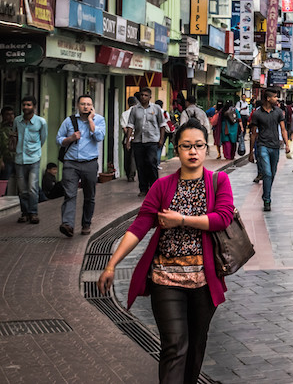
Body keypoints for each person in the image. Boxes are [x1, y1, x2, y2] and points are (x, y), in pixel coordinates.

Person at [98, 120, 235, 384]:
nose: (193, 151)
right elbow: (139, 226)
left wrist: (181, 220)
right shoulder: (162, 186)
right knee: (174, 346)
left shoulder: (219, 181)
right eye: (186, 146)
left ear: (206, 149)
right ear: (177, 149)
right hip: (166, 280)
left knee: (195, 348)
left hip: (204, 281)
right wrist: (111, 264)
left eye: (198, 146)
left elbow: (222, 218)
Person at [56, 95, 107, 237]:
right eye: (83, 104)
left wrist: (91, 120)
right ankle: (68, 224)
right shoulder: (69, 121)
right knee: (69, 194)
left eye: (88, 104)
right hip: (71, 163)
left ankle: (86, 223)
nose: (86, 106)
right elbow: (58, 139)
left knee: (89, 196)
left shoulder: (99, 120)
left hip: (90, 163)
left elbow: (99, 137)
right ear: (78, 105)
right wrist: (70, 138)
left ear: (92, 106)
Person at [250, 88, 287, 212]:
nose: (277, 99)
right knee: (267, 173)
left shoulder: (278, 112)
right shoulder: (257, 114)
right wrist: (251, 152)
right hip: (263, 145)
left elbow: (283, 129)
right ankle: (267, 199)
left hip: (275, 146)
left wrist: (287, 144)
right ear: (268, 98)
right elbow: (253, 133)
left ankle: (266, 193)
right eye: (275, 97)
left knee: (272, 173)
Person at [125, 87, 168, 196]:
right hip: (138, 141)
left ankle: (154, 187)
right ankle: (143, 188)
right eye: (142, 95)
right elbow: (130, 125)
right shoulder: (134, 110)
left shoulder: (156, 108)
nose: (143, 97)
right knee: (140, 165)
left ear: (150, 97)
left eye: (145, 95)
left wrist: (161, 139)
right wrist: (128, 140)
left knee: (151, 163)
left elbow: (162, 125)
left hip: (152, 140)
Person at [13, 96, 47, 224]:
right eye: (24, 105)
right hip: (19, 159)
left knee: (32, 187)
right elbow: (14, 135)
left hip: (33, 159)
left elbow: (43, 139)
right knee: (22, 189)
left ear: (34, 107)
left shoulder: (41, 122)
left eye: (28, 105)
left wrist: (35, 150)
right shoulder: (17, 121)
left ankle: (33, 213)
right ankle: (25, 213)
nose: (26, 107)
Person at [120, 96, 139, 181]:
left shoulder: (124, 113)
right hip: (137, 136)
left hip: (127, 136)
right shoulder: (138, 113)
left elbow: (124, 128)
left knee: (127, 156)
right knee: (134, 157)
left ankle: (128, 173)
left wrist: (128, 137)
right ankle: (132, 174)